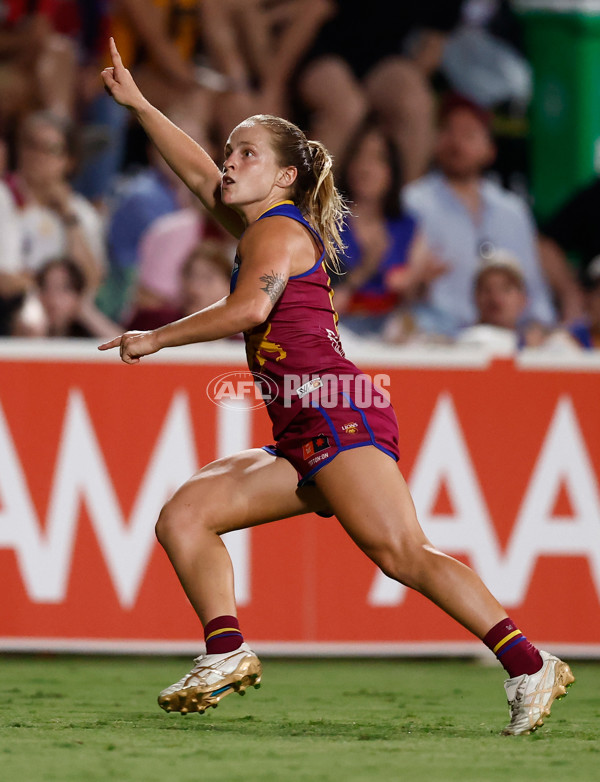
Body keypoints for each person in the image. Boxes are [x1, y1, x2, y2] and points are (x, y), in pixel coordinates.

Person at [98, 37, 574, 735]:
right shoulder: (261, 225)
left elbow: (250, 309)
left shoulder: (278, 233)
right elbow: (200, 176)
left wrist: (156, 337)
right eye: (230, 152)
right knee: (184, 517)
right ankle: (226, 652)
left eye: (247, 154)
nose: (230, 163)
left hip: (336, 413)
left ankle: (531, 665)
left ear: (286, 177)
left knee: (403, 554)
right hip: (303, 424)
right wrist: (140, 104)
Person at [403, 93, 568, 336]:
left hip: (508, 337)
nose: (457, 143)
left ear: (490, 149)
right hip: (439, 336)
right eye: (448, 131)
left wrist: (540, 328)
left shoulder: (513, 210)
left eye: (469, 135)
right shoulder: (414, 201)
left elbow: (534, 288)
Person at [332, 116, 446, 339]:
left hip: (394, 330)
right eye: (360, 157)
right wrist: (366, 268)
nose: (366, 168)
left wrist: (419, 283)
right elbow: (326, 304)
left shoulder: (408, 226)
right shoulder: (326, 224)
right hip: (341, 328)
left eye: (378, 160)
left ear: (391, 171)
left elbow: (409, 297)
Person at [0, 110, 108, 335]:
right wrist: (50, 290)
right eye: (30, 145)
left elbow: (89, 284)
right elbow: (4, 282)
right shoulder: (4, 197)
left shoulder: (80, 213)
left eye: (50, 149)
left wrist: (68, 218)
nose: (37, 156)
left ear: (68, 161)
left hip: (65, 321)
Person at [456, 251, 581, 354]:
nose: (495, 298)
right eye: (487, 289)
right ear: (475, 298)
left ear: (523, 299)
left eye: (506, 289)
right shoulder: (467, 343)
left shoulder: (548, 342)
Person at [13, 256, 121, 339]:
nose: (53, 297)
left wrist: (86, 313)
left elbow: (129, 350)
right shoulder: (24, 330)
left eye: (63, 288)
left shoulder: (89, 336)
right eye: (45, 287)